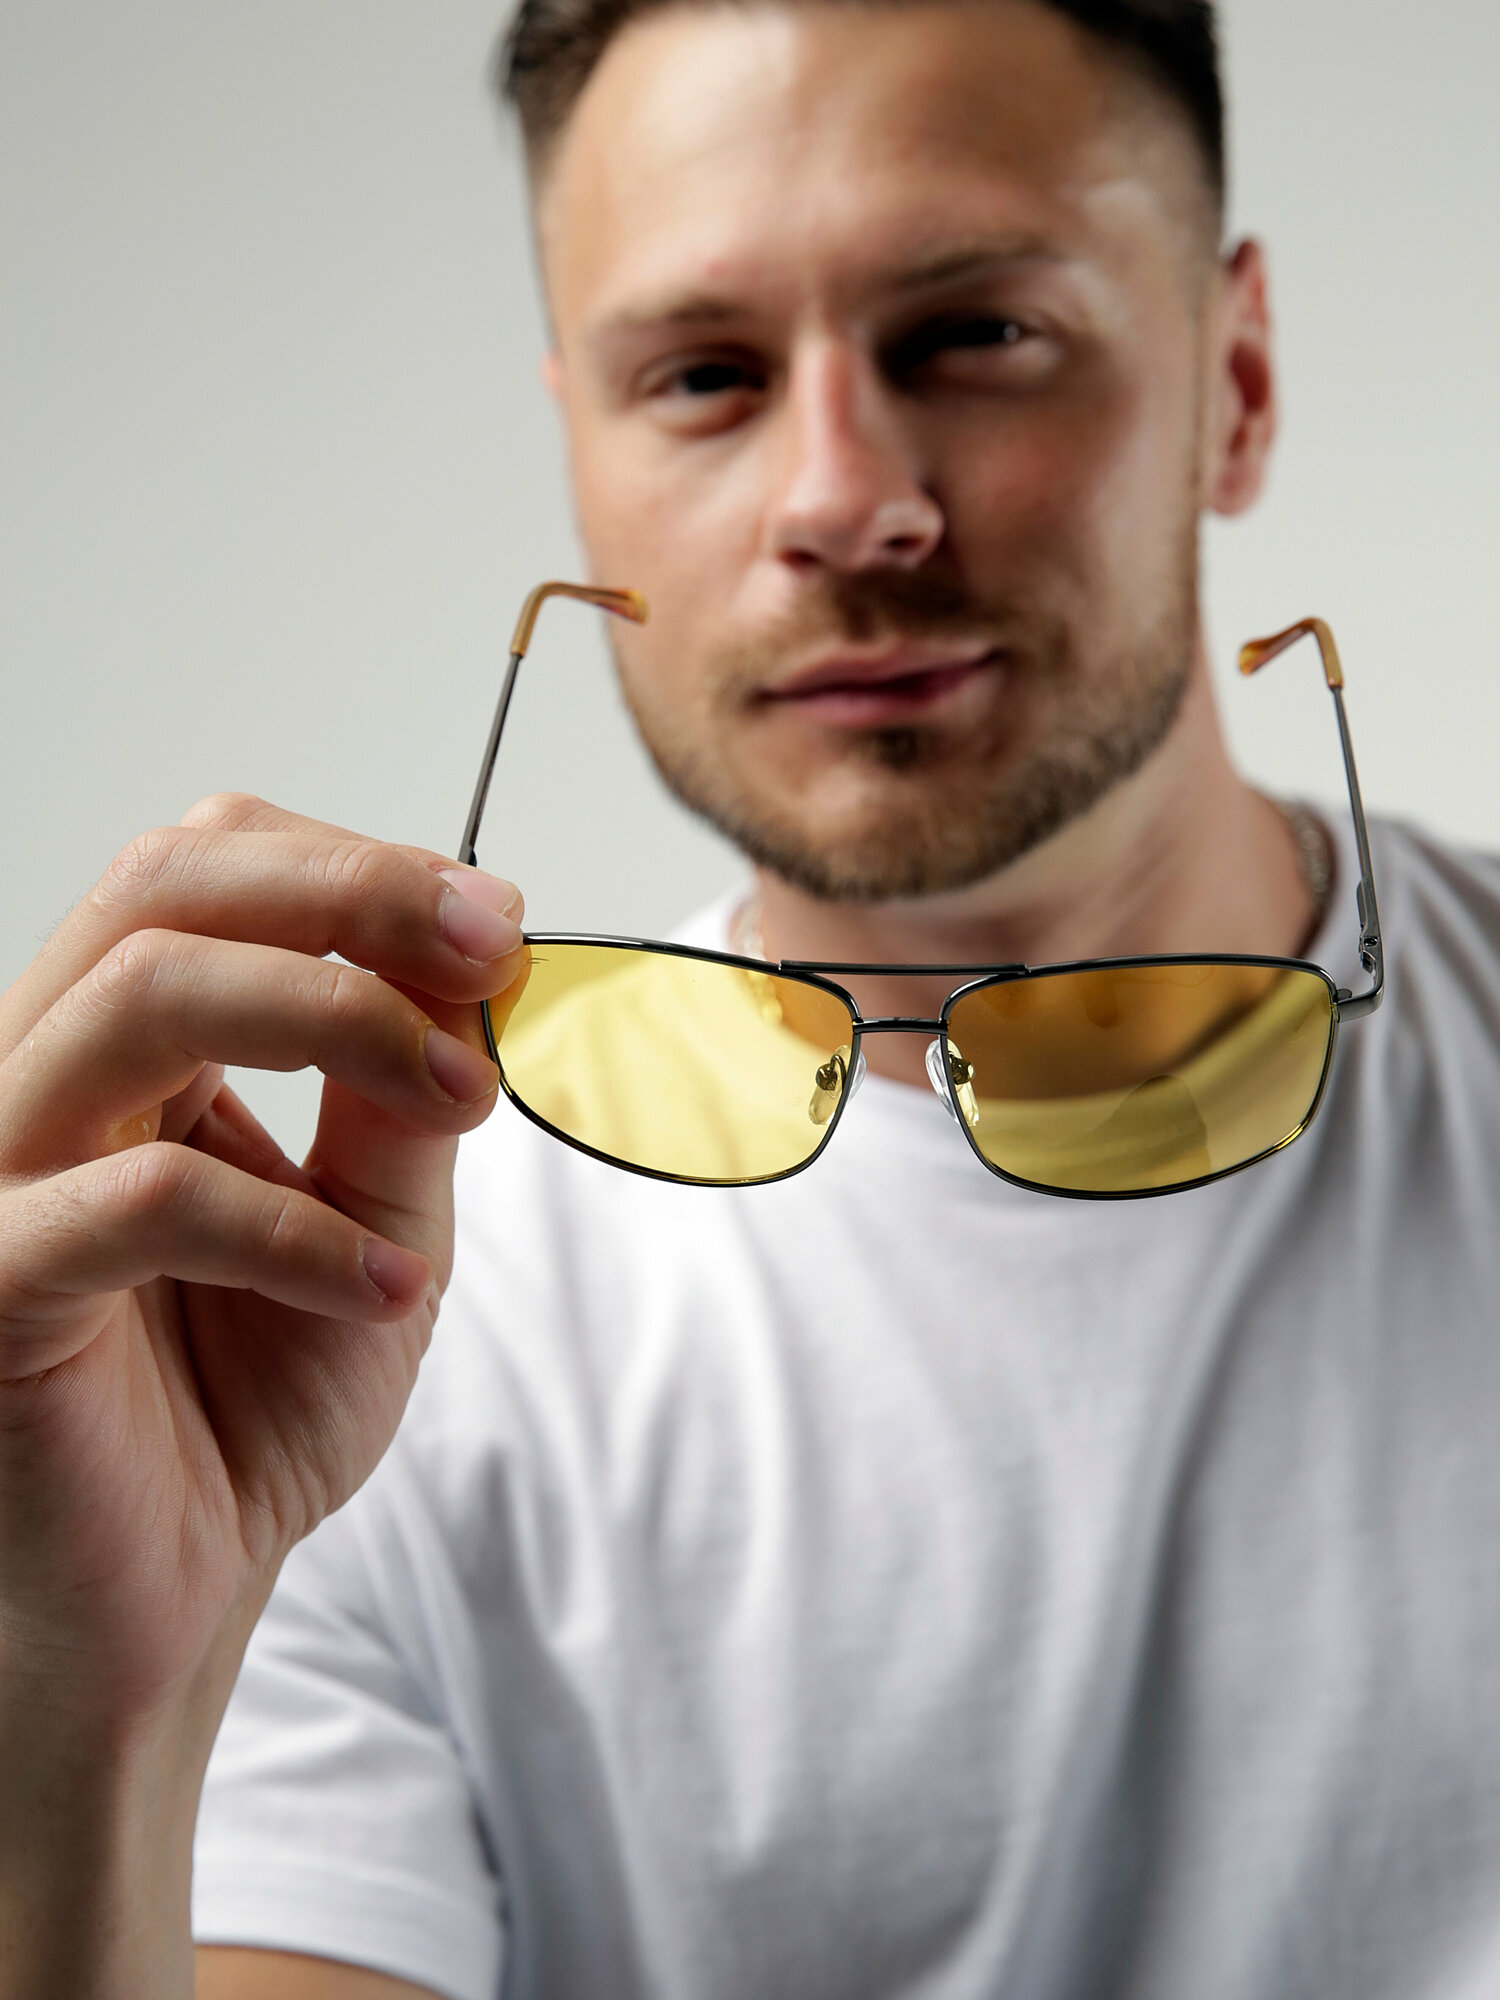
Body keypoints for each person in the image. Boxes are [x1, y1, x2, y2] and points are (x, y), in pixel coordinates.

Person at [4, 0, 1500, 1994]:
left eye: (974, 332)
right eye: (705, 375)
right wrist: (96, 1709)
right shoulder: (333, 1333)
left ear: (1235, 381)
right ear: (579, 450)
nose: (842, 500)